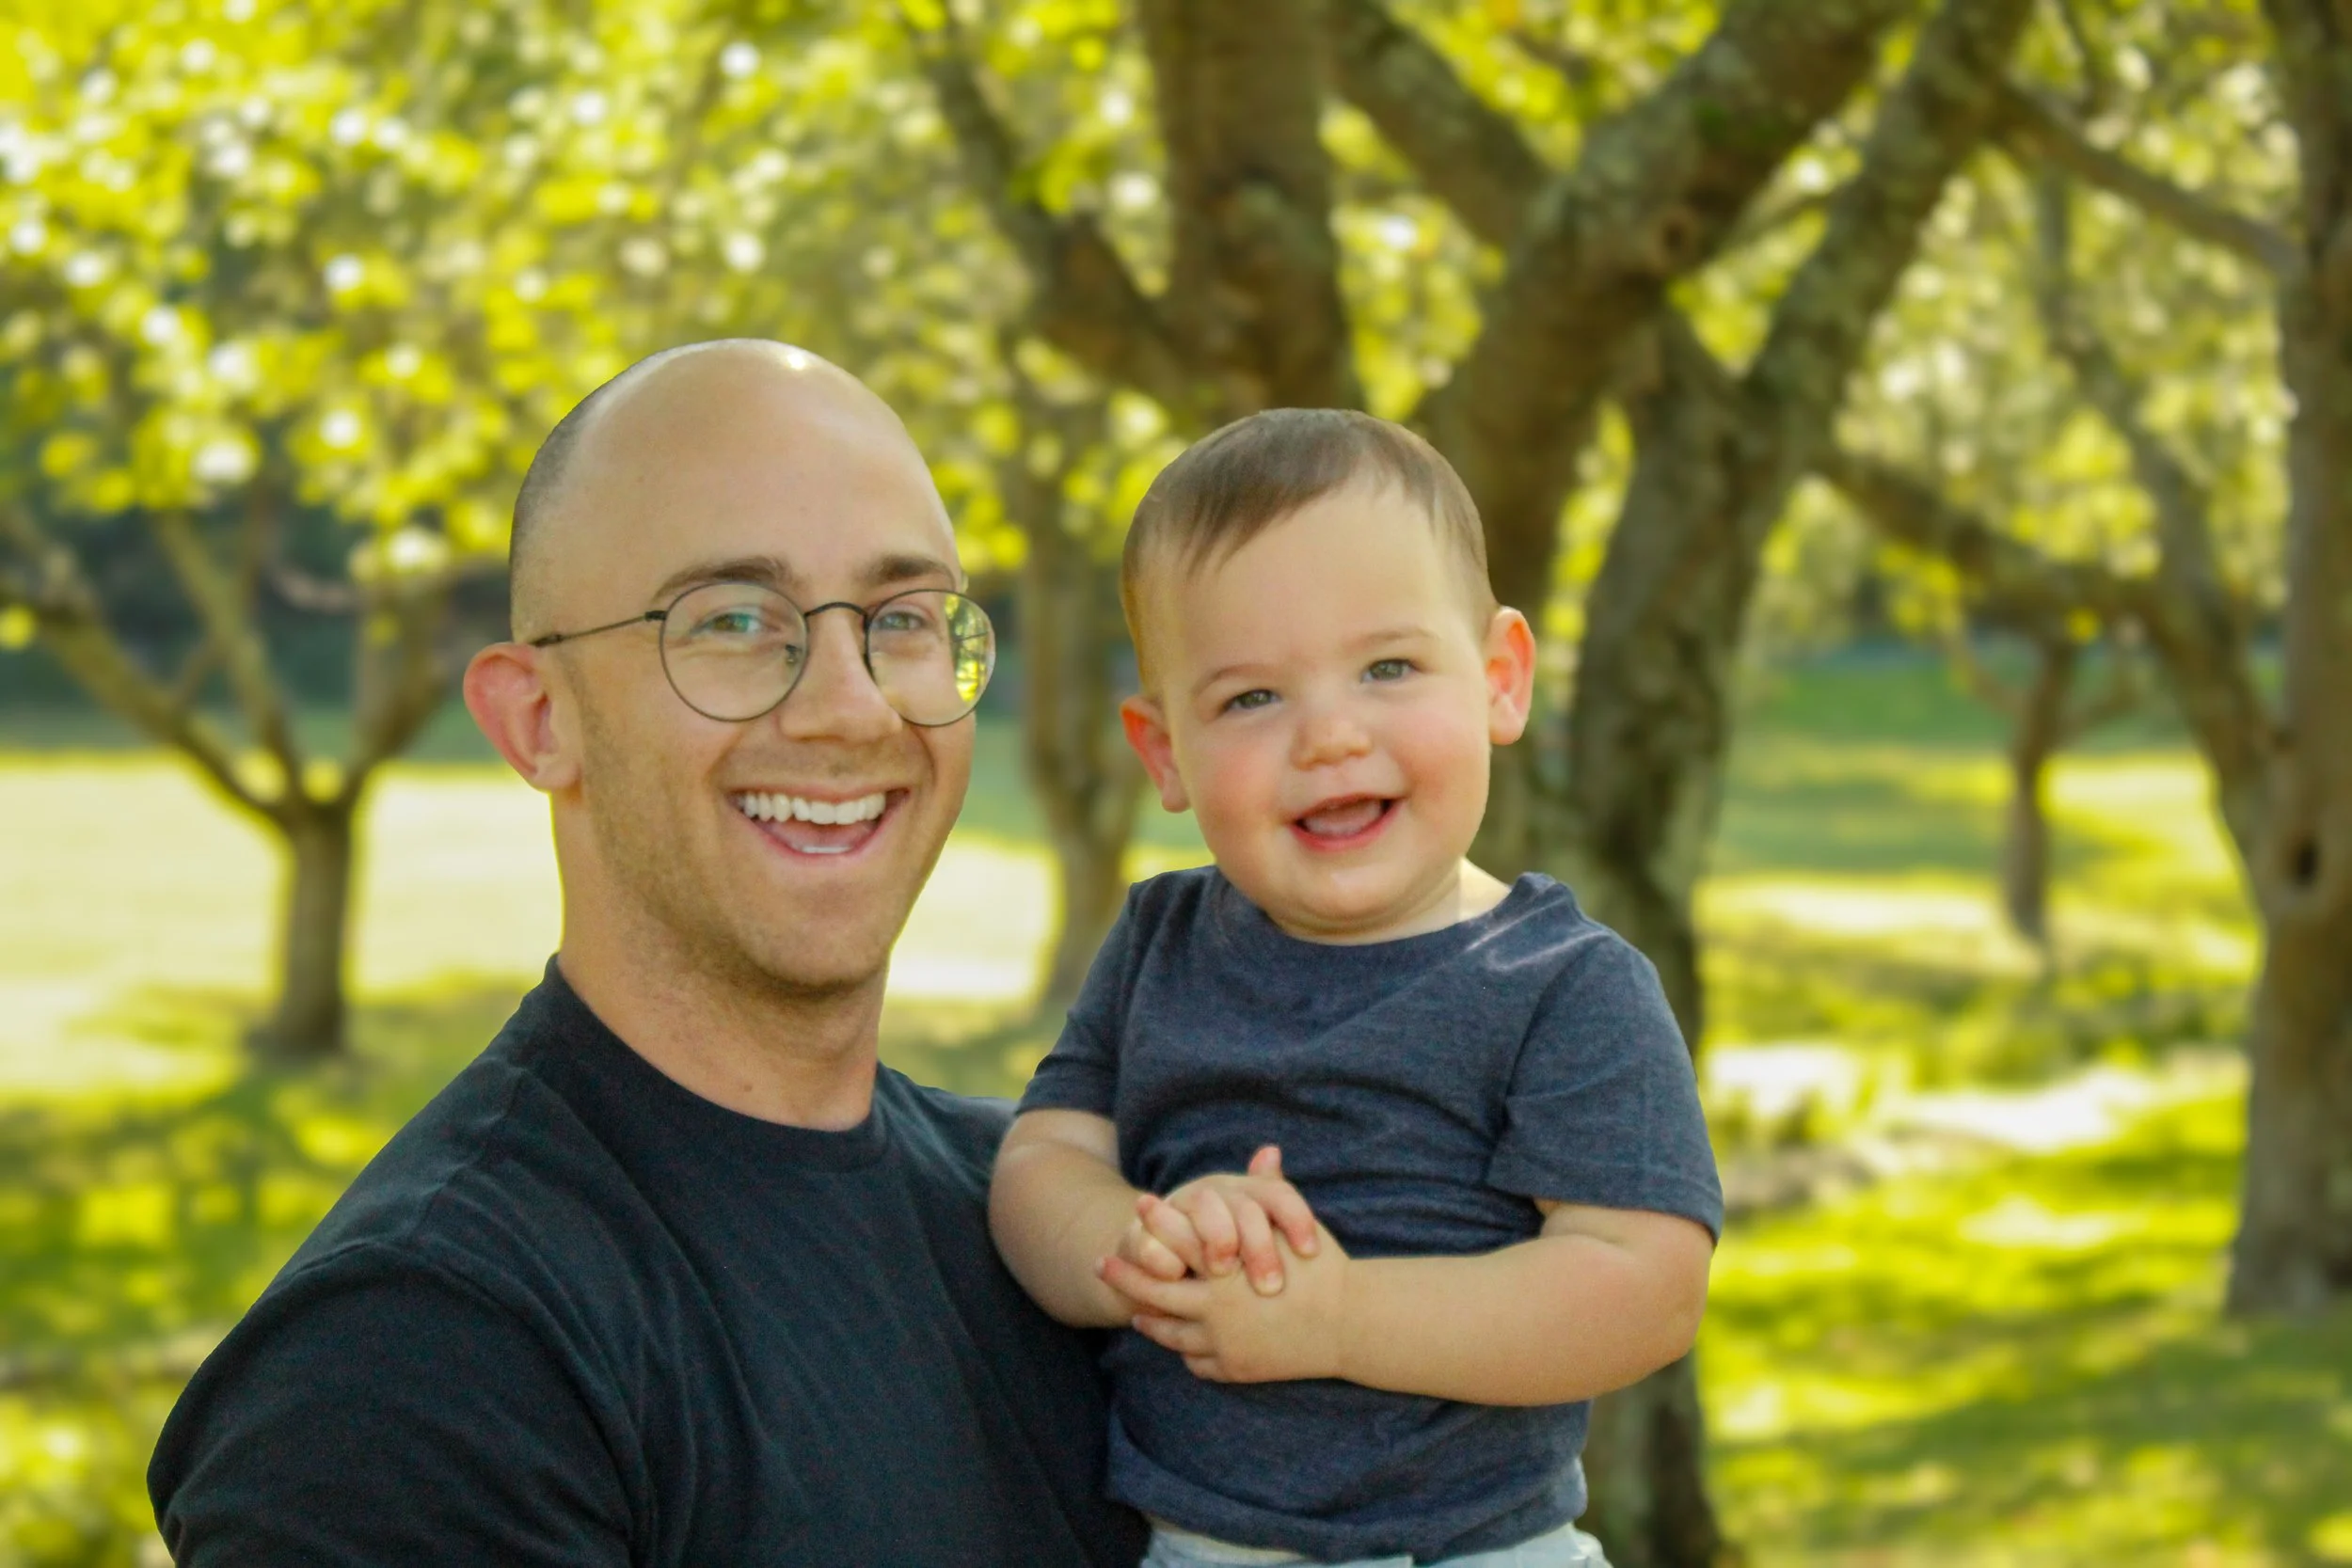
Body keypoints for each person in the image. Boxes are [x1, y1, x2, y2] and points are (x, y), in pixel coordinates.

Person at [148, 341, 1147, 1567]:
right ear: (538, 718)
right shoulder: (415, 1364)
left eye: (901, 619)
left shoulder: (1052, 1225)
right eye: (733, 619)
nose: (852, 705)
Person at [988, 408, 1723, 1568]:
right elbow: (1039, 1163)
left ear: (1499, 680)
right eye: (1250, 698)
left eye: (1388, 667)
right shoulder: (1158, 943)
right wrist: (1139, 1243)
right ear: (1164, 751)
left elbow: (1642, 1289)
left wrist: (1336, 1319)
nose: (1329, 734)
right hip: (1192, 1548)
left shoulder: (1563, 986)